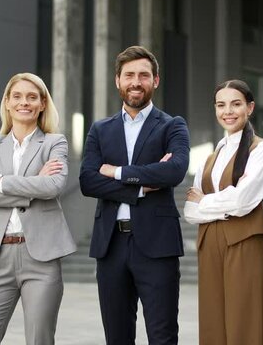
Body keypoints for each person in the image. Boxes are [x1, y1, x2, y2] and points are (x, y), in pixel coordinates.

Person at [79, 45, 190, 345]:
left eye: (143, 75)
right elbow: (88, 181)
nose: (135, 82)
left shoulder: (172, 125)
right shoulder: (100, 130)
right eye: (129, 75)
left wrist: (116, 172)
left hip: (157, 246)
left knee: (162, 336)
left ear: (156, 80)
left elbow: (174, 171)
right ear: (117, 80)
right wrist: (141, 186)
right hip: (110, 245)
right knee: (116, 337)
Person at [0, 72, 77, 345]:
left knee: (40, 340)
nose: (23, 102)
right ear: (7, 102)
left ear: (42, 104)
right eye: (16, 96)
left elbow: (53, 186)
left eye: (32, 97)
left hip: (40, 258)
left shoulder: (55, 142)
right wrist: (33, 187)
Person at [183, 79, 263, 345]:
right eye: (221, 105)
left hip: (243, 241)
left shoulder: (261, 149)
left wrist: (207, 203)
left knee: (245, 321)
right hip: (209, 243)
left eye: (236, 104)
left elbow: (243, 201)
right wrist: (220, 206)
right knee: (213, 322)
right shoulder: (211, 157)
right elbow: (190, 211)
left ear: (250, 107)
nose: (228, 111)